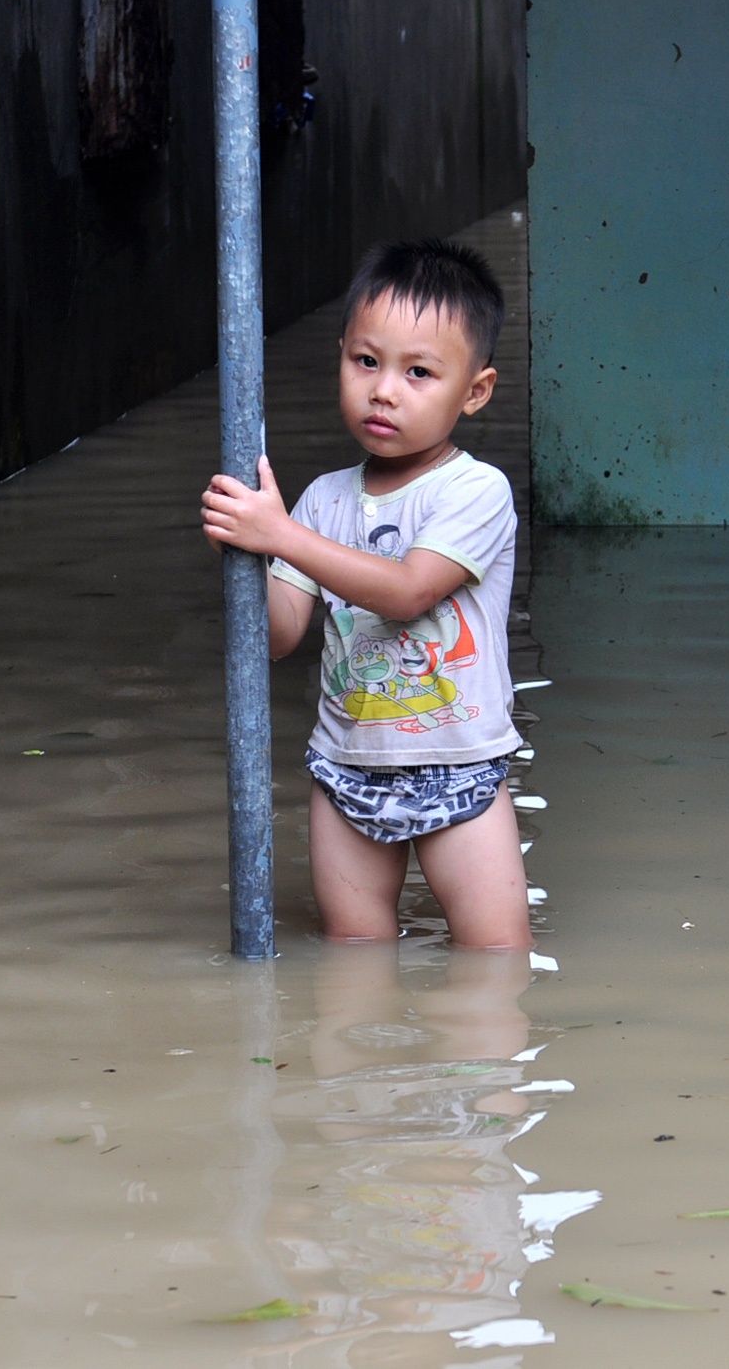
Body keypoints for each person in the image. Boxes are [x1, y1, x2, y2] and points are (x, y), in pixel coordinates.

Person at [200, 239, 531, 951]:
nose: (384, 390)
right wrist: (246, 551)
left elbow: (409, 590)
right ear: (342, 356)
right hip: (346, 769)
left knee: (493, 963)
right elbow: (282, 635)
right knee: (354, 962)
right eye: (366, 362)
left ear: (475, 391)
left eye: (419, 372)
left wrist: (281, 536)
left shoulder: (476, 492)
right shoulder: (320, 503)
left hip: (460, 766)